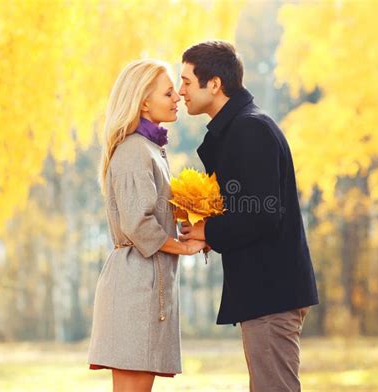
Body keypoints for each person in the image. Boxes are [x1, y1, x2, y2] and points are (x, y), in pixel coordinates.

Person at [178, 41, 319, 391]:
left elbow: (262, 215)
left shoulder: (250, 129)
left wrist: (207, 230)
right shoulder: (240, 128)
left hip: (271, 291)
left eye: (185, 81)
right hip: (266, 291)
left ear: (214, 84)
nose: (180, 92)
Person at [87, 59, 206, 392]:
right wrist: (183, 247)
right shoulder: (135, 150)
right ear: (143, 102)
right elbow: (139, 224)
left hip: (145, 285)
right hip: (134, 290)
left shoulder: (151, 149)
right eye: (168, 93)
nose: (178, 97)